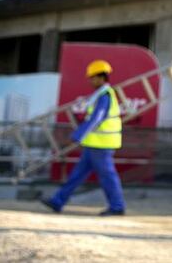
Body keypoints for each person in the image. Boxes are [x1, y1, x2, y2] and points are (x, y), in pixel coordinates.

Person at [42, 59, 126, 216]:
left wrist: (77, 135)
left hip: (102, 145)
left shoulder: (105, 96)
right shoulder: (101, 95)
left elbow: (96, 118)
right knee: (77, 175)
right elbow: (93, 118)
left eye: (93, 77)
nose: (90, 81)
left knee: (107, 176)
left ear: (102, 78)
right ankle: (58, 201)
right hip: (94, 144)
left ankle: (117, 206)